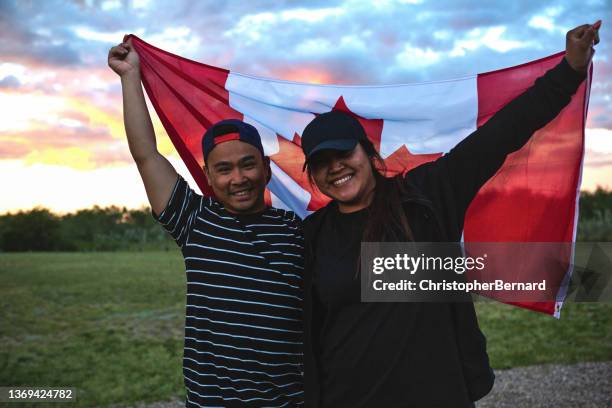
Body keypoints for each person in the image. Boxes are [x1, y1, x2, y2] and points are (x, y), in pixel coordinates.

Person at [299, 22, 601, 408]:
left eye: (344, 154)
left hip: (438, 394)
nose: (335, 167)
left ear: (369, 155)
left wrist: (569, 71)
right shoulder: (311, 235)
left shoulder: (427, 195)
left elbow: (502, 134)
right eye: (322, 162)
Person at [108, 39, 304, 407]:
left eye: (248, 164)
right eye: (224, 169)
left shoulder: (296, 229)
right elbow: (146, 155)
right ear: (208, 178)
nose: (238, 178)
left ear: (267, 168)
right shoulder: (195, 221)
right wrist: (130, 77)